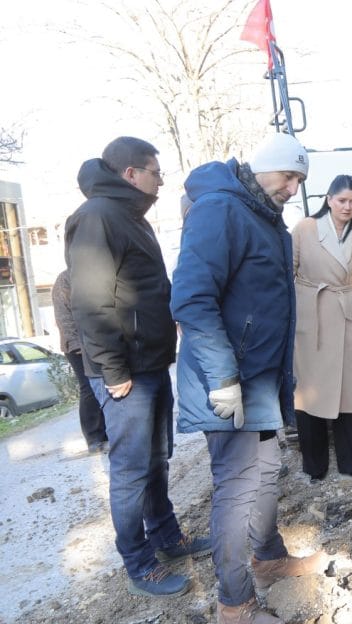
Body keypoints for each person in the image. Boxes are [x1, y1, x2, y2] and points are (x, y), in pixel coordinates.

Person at [171, 131, 326, 624]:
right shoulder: (222, 211)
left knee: (264, 472)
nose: (293, 187)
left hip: (257, 380)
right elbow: (191, 299)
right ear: (264, 168)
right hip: (229, 385)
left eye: (300, 180)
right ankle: (233, 606)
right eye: (289, 176)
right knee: (238, 490)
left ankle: (269, 557)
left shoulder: (262, 217)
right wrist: (222, 377)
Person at [64, 136, 211, 599]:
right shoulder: (97, 218)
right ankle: (139, 561)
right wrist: (112, 370)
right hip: (125, 371)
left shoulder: (128, 216)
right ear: (131, 174)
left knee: (155, 459)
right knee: (129, 470)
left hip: (148, 363)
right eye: (155, 171)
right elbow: (90, 302)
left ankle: (167, 538)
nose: (161, 181)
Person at [291, 175, 352, 481]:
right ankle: (315, 467)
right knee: (308, 393)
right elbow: (285, 272)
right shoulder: (305, 229)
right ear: (328, 199)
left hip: (347, 316)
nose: (347, 207)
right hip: (311, 317)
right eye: (342, 200)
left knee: (348, 393)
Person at [51, 269, 108, 453]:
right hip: (76, 346)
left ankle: (108, 432)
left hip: (96, 342)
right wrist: (77, 346)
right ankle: (93, 437)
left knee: (106, 385)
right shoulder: (65, 279)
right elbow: (63, 318)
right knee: (88, 388)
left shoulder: (94, 271)